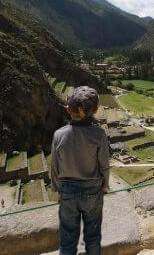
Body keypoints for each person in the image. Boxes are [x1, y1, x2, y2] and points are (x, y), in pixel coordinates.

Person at [51, 86, 110, 255]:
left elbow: (54, 166)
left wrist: (57, 189)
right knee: (92, 236)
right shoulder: (99, 134)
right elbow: (104, 165)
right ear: (96, 110)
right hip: (93, 190)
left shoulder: (59, 135)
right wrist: (105, 184)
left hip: (68, 192)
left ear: (68, 110)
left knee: (68, 239)